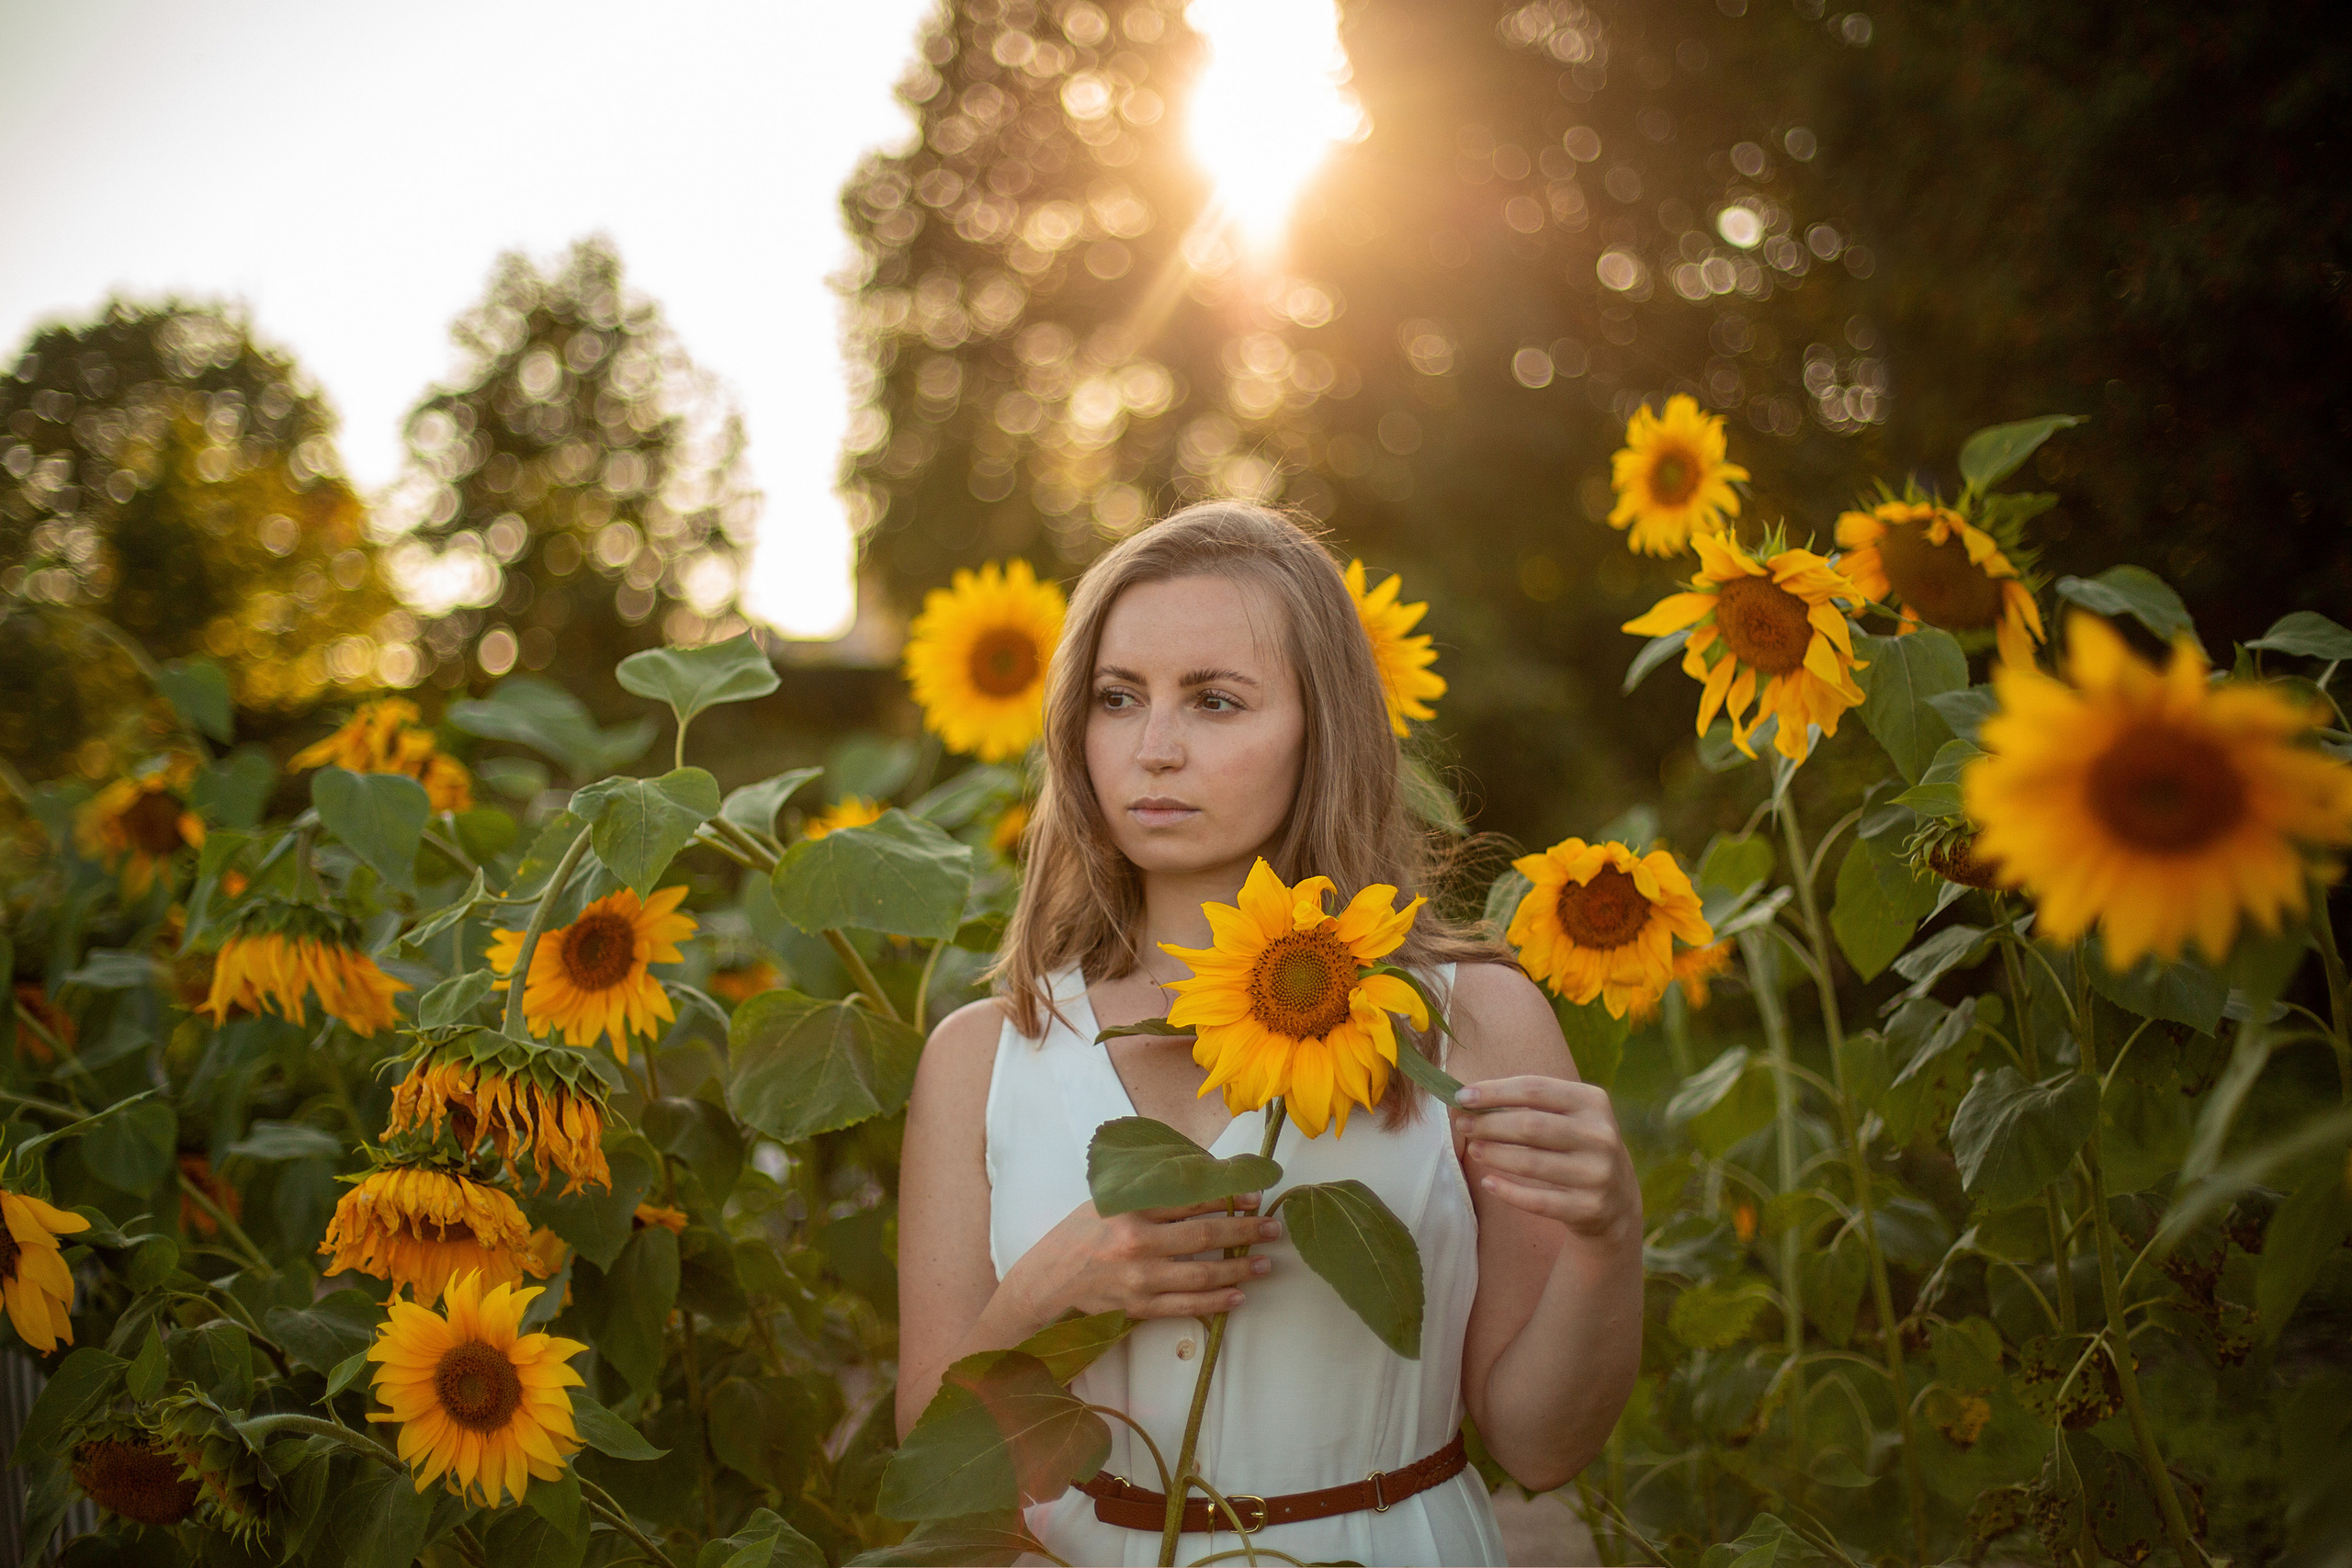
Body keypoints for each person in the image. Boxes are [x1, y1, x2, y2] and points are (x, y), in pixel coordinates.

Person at [897, 503, 1645, 1567]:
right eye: (1119, 699)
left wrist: (1608, 1238)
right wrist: (1045, 1295)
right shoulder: (987, 1054)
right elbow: (934, 1472)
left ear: (1320, 724)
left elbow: (1541, 1444)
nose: (1154, 749)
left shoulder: (1468, 1019)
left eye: (1214, 700)